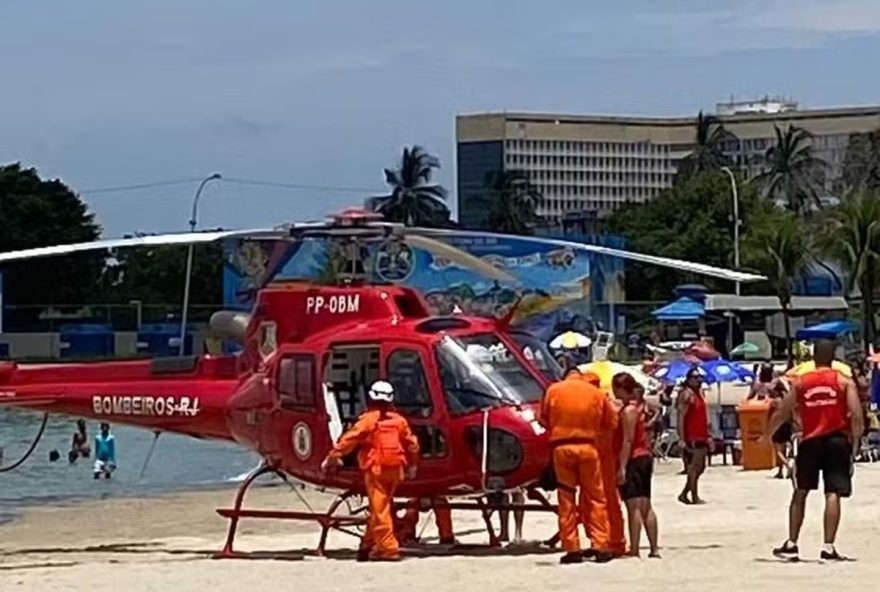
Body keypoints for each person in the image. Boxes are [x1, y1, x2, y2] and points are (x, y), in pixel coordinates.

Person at [767, 340, 864, 561]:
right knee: (833, 493)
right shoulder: (843, 381)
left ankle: (792, 543)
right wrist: (856, 442)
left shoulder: (802, 382)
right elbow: (856, 414)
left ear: (814, 358)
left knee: (801, 491)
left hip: (810, 441)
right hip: (837, 441)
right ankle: (828, 546)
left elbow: (783, 411)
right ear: (832, 358)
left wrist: (767, 434)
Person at [321, 380, 420, 562]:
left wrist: (332, 457)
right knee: (380, 508)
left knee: (380, 510)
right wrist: (413, 466)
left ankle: (388, 549)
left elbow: (349, 440)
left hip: (376, 470)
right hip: (396, 470)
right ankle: (366, 545)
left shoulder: (368, 419)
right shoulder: (399, 421)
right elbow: (412, 444)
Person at [540, 362, 616, 564]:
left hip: (561, 448)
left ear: (565, 375)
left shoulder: (553, 390)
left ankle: (572, 547)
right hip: (588, 448)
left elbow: (543, 419)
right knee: (595, 498)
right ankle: (600, 544)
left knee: (566, 498)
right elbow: (611, 422)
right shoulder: (595, 393)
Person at [614, 373, 660, 558]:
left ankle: (635, 548)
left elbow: (627, 440)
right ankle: (653, 548)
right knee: (645, 504)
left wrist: (622, 467)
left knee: (634, 506)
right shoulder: (636, 409)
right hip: (644, 457)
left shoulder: (628, 411)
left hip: (634, 458)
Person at [677, 368, 711, 505]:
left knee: (700, 467)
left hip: (701, 435)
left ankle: (685, 493)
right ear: (689, 379)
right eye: (695, 377)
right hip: (691, 436)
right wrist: (681, 439)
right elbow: (681, 418)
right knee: (693, 467)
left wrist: (709, 435)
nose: (698, 380)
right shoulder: (687, 395)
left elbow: (704, 416)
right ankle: (693, 496)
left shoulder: (699, 394)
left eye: (699, 377)